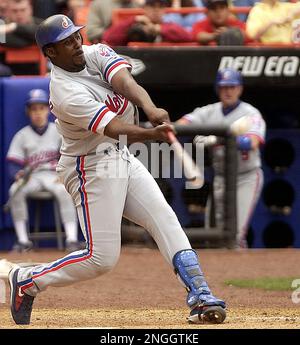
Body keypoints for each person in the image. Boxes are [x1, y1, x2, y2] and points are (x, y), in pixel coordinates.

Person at [8, 14, 226, 325]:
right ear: (50, 53)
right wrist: (152, 135)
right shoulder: (64, 91)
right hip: (89, 167)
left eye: (76, 37)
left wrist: (150, 109)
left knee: (164, 218)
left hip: (120, 155)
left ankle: (201, 294)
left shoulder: (95, 52)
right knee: (101, 259)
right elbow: (113, 127)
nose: (76, 45)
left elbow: (125, 81)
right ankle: (28, 280)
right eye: (66, 43)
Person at [177, 68, 266, 248]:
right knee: (215, 234)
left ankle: (241, 273)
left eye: (232, 86)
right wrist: (194, 130)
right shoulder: (210, 111)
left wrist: (219, 139)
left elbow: (253, 142)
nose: (228, 91)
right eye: (224, 86)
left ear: (240, 89)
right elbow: (181, 125)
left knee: (235, 235)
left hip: (245, 177)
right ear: (218, 89)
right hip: (220, 177)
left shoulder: (251, 113)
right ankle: (221, 273)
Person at [6, 89, 81, 253]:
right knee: (14, 190)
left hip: (55, 176)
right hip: (32, 177)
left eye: (41, 108)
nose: (38, 113)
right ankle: (23, 241)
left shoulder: (58, 130)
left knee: (66, 191)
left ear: (48, 110)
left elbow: (72, 156)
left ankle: (72, 239)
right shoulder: (22, 135)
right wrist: (17, 175)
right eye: (34, 109)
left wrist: (65, 175)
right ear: (28, 112)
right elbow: (13, 163)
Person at [102, 0, 193, 46]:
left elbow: (189, 37)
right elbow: (108, 38)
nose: (156, 10)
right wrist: (135, 19)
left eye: (160, 7)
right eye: (152, 6)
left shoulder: (169, 26)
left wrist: (158, 29)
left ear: (165, 10)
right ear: (144, 8)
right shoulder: (133, 23)